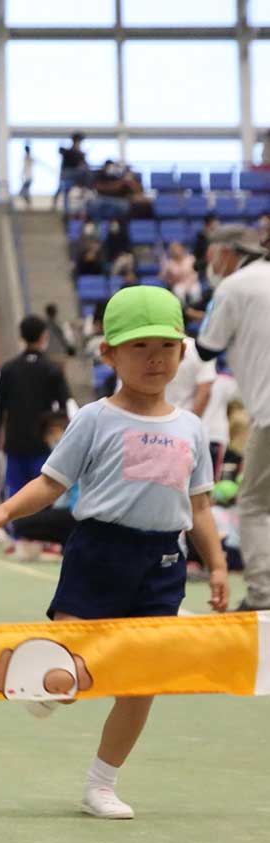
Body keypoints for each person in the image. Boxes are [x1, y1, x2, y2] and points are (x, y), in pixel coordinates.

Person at [0, 286, 227, 819]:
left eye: (166, 346)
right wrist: (4, 512)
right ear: (108, 354)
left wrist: (219, 564)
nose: (155, 358)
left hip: (163, 561)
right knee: (71, 664)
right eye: (138, 347)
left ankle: (102, 784)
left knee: (142, 682)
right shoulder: (94, 418)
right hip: (99, 551)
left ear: (183, 352)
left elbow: (200, 508)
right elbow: (50, 483)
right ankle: (41, 676)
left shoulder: (191, 429)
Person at [195, 224, 270, 609]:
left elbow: (207, 348)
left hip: (269, 415)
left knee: (255, 504)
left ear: (227, 252)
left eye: (211, 255)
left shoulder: (234, 287)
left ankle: (262, 596)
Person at [0, 316, 72, 509]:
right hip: (42, 442)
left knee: (16, 495)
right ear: (44, 336)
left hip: (14, 441)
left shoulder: (8, 368)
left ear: (21, 336)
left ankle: (19, 536)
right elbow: (63, 407)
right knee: (43, 493)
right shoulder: (52, 369)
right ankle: (42, 536)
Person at [55, 132, 88, 209]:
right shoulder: (69, 152)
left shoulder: (79, 154)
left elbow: (84, 165)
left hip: (73, 177)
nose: (79, 144)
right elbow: (61, 151)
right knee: (63, 188)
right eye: (78, 142)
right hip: (68, 175)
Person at [18, 144, 34, 208]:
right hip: (28, 178)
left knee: (22, 192)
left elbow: (25, 168)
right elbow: (24, 168)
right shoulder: (27, 157)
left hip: (28, 178)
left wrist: (21, 175)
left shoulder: (29, 157)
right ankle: (28, 204)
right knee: (24, 192)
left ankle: (29, 204)